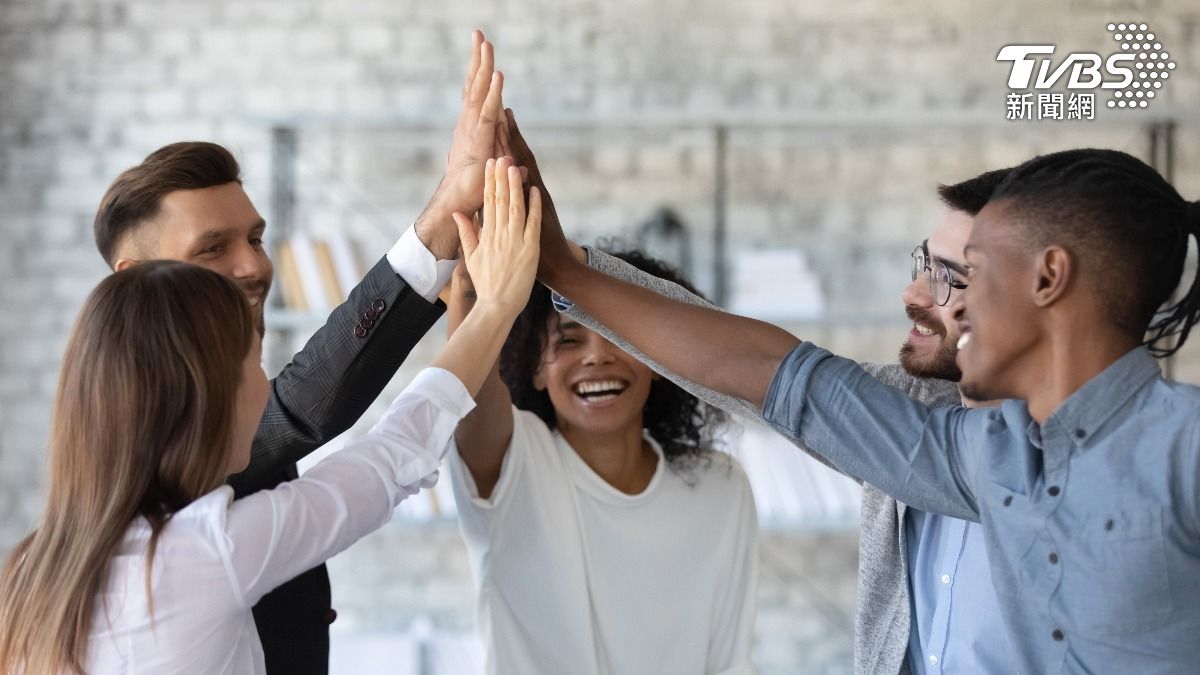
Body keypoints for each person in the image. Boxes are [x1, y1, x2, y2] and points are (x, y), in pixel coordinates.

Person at [533, 147, 1200, 673]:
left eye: (969, 273)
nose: (950, 303)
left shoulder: (1183, 446)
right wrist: (564, 268)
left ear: (1048, 279)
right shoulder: (980, 453)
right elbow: (767, 370)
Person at [503, 109, 1014, 673]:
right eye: (923, 262)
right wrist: (565, 264)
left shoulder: (1091, 468)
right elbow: (744, 361)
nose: (913, 292)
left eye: (949, 276)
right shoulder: (906, 410)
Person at [0, 157, 542, 675]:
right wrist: (496, 307)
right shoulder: (211, 551)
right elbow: (393, 454)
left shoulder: (28, 573)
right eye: (250, 363)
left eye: (256, 239)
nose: (268, 386)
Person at [85, 31, 506, 674]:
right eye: (212, 249)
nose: (253, 265)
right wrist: (455, 236)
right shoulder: (141, 442)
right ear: (132, 277)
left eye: (255, 237)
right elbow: (306, 416)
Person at [443, 244, 757, 675]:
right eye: (570, 339)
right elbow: (473, 402)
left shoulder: (720, 488)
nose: (597, 356)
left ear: (660, 359)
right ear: (535, 367)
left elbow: (731, 664)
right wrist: (472, 303)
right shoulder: (514, 463)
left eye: (621, 338)